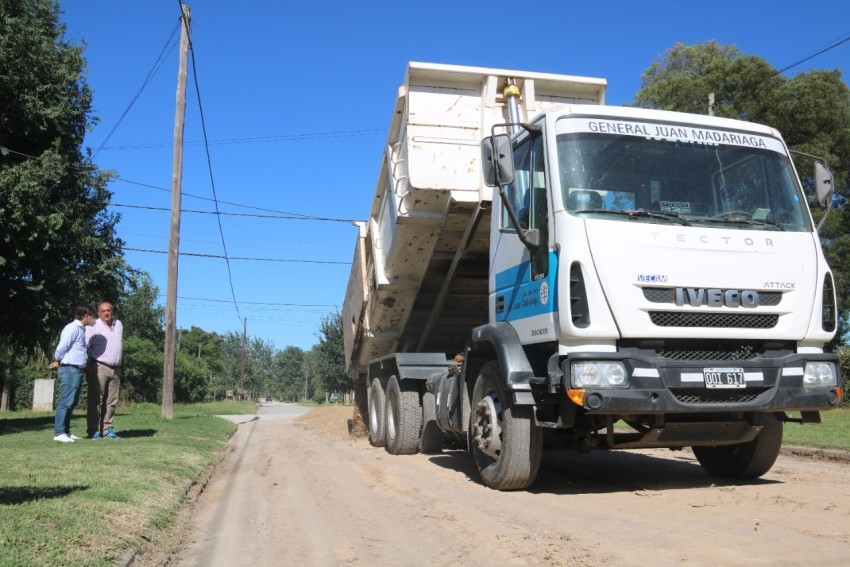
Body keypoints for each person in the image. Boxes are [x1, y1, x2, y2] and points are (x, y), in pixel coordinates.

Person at [48, 304, 94, 443]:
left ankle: (66, 432)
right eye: (92, 316)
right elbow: (62, 346)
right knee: (66, 401)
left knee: (72, 402)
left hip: (77, 370)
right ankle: (59, 432)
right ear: (86, 316)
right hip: (69, 369)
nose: (92, 319)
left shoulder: (81, 330)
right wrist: (57, 359)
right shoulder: (72, 328)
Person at [86, 301, 123, 439]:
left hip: (116, 369)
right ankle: (93, 430)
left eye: (109, 310)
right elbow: (85, 345)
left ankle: (108, 430)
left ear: (112, 311)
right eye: (103, 311)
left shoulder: (118, 324)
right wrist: (88, 364)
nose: (106, 313)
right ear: (98, 313)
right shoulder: (93, 325)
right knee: (96, 400)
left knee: (111, 402)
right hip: (99, 366)